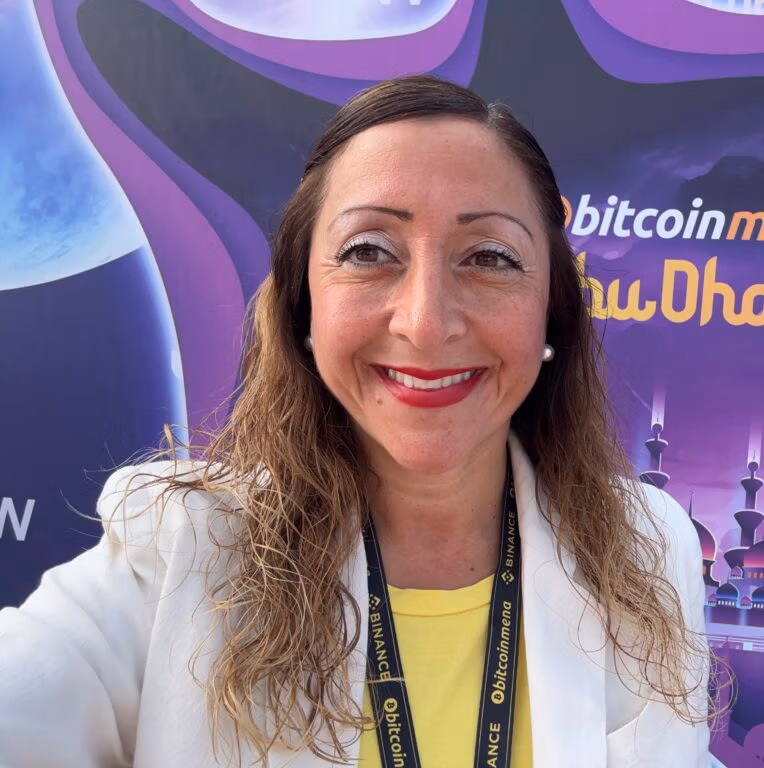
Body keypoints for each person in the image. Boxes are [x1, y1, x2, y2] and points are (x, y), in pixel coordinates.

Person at [0, 75, 716, 767]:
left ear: (551, 311)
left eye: (490, 257)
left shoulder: (647, 547)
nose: (426, 323)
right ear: (304, 305)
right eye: (368, 251)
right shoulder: (181, 552)